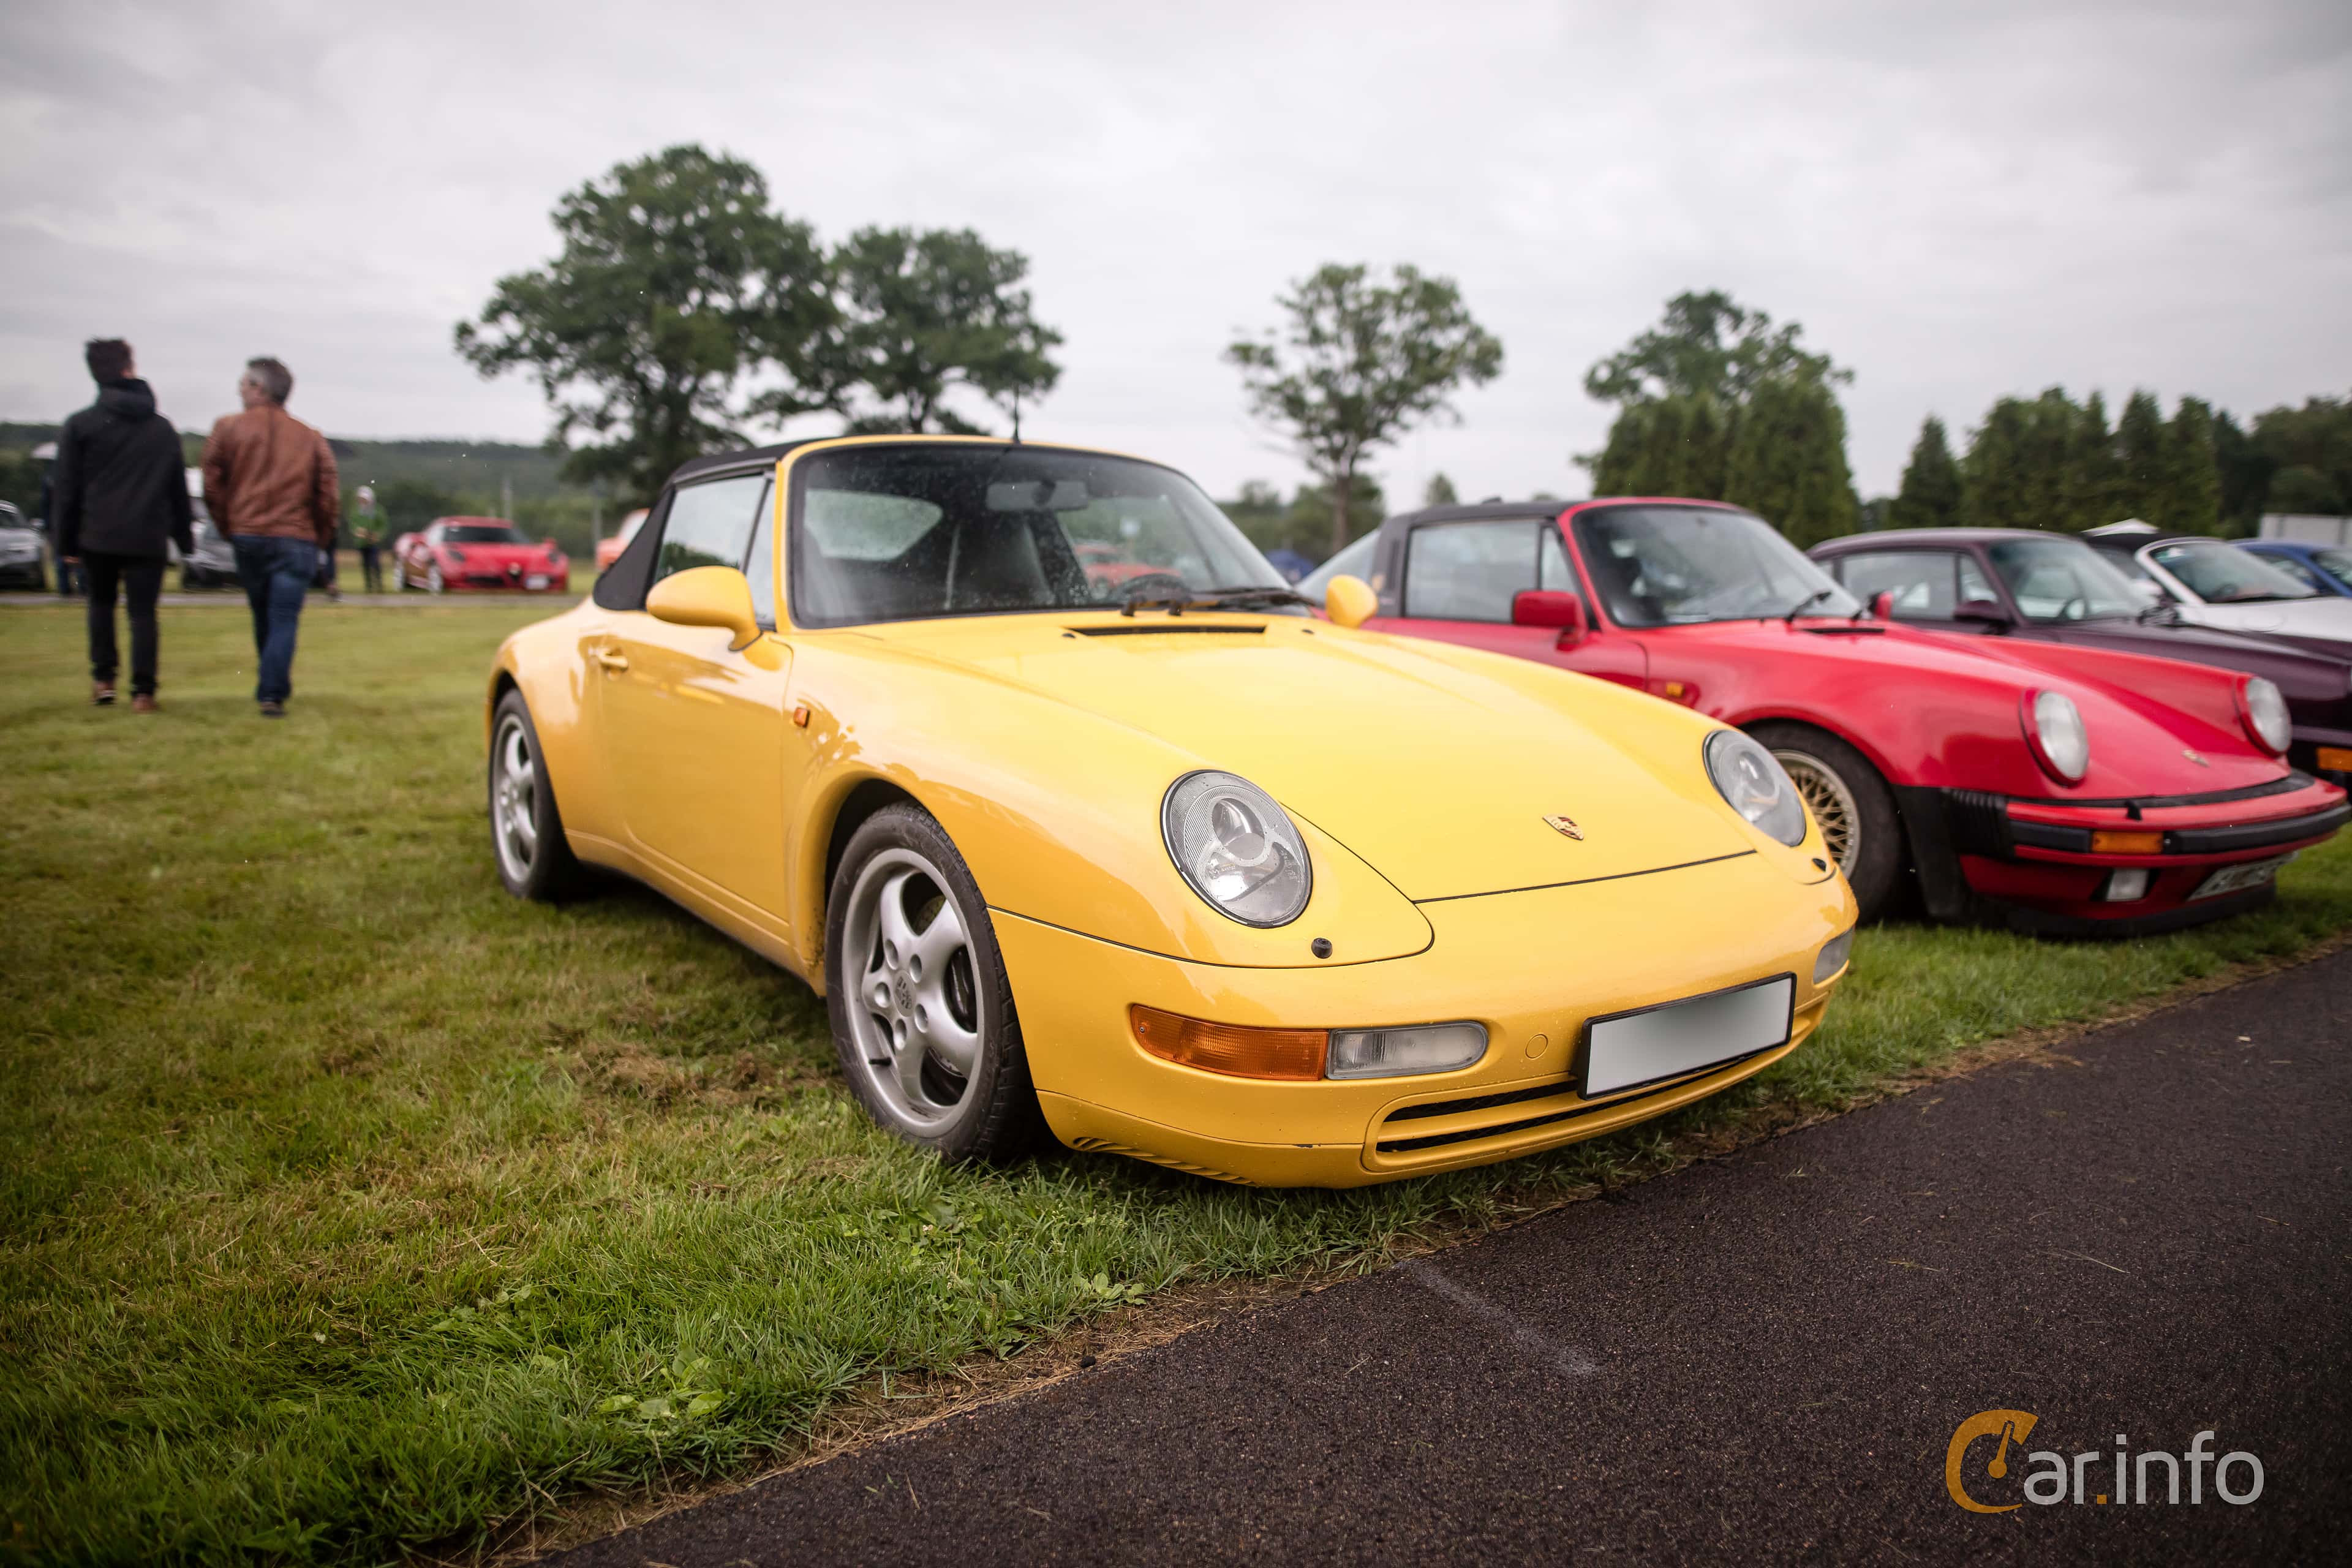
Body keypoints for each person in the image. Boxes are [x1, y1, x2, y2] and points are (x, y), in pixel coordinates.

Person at [52, 339, 193, 710]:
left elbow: (67, 491)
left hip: (97, 533)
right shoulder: (162, 429)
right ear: (129, 369)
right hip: (148, 534)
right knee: (143, 614)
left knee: (100, 605)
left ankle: (104, 680)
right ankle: (144, 692)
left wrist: (65, 543)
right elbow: (177, 490)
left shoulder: (81, 425)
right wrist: (185, 539)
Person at [202, 356, 339, 718]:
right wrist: (321, 536)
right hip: (296, 538)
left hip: (248, 535)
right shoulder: (310, 437)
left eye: (244, 384)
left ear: (259, 389)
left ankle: (271, 685)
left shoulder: (227, 428)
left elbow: (212, 485)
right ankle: (273, 691)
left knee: (262, 612)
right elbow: (327, 494)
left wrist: (228, 525)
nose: (239, 390)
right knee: (284, 616)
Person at [348, 484, 387, 594]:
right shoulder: (356, 511)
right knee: (365, 564)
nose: (362, 501)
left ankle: (379, 585)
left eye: (364, 499)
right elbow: (353, 524)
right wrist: (358, 531)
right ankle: (369, 586)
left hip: (373, 542)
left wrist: (378, 535)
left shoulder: (377, 511)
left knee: (375, 563)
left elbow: (384, 525)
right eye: (361, 499)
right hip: (362, 543)